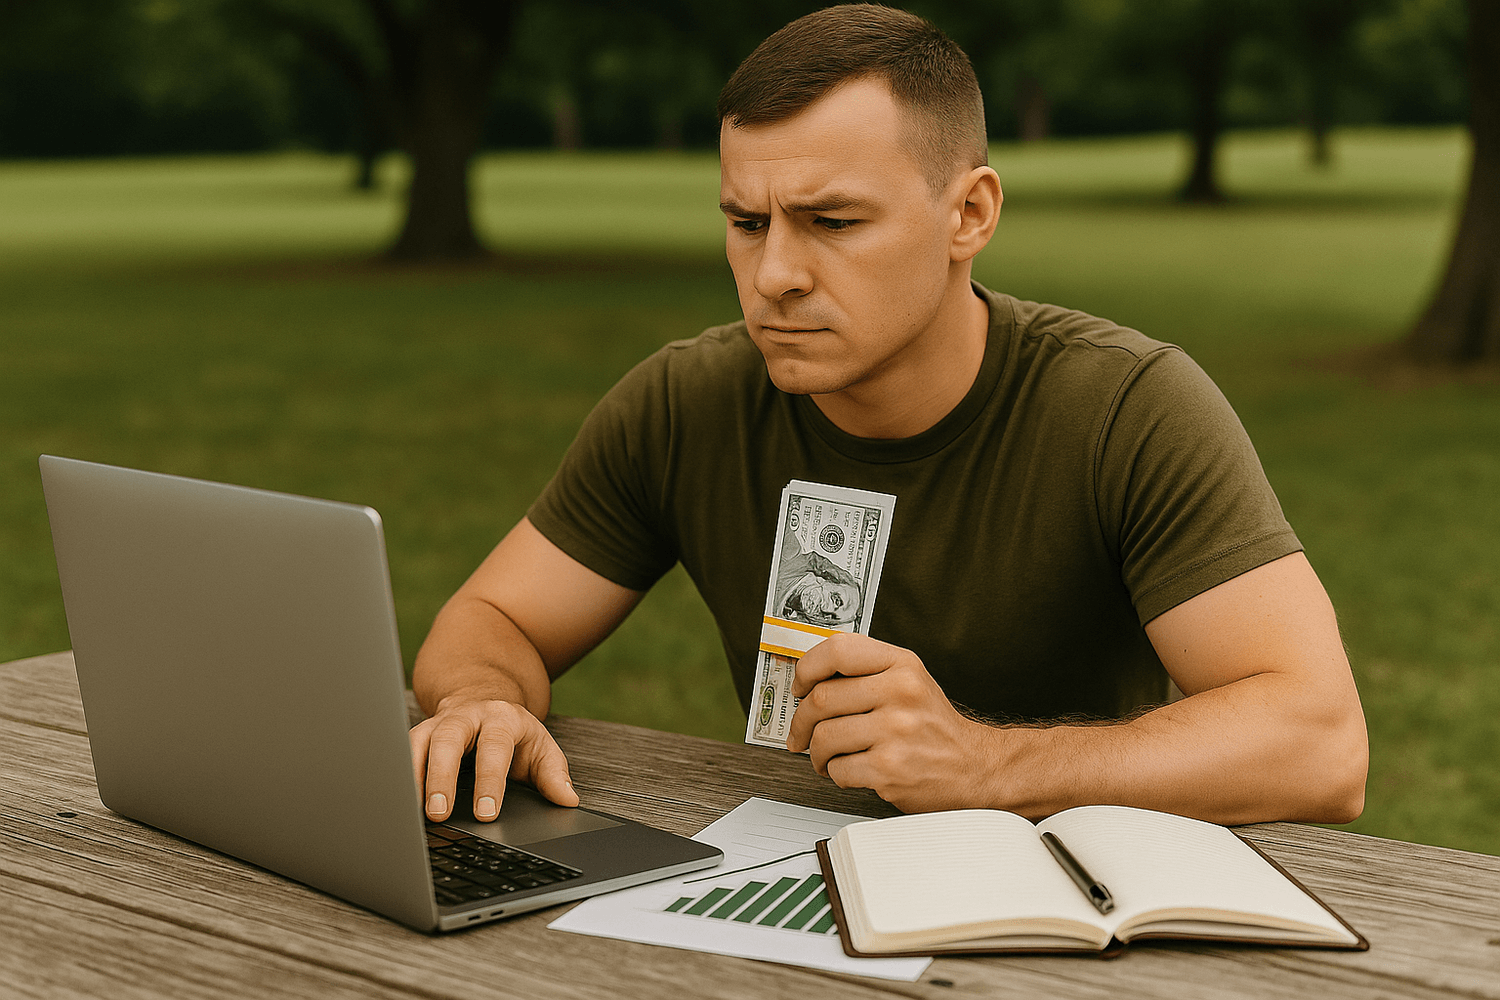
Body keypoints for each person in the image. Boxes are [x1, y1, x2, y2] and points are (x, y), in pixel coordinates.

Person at [409, 4, 1368, 828]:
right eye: (747, 223)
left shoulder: (1125, 407)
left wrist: (987, 767)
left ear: (970, 215)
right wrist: (483, 702)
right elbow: (492, 618)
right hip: (780, 883)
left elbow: (1320, 744)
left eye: (833, 222)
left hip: (1068, 916)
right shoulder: (686, 404)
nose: (775, 275)